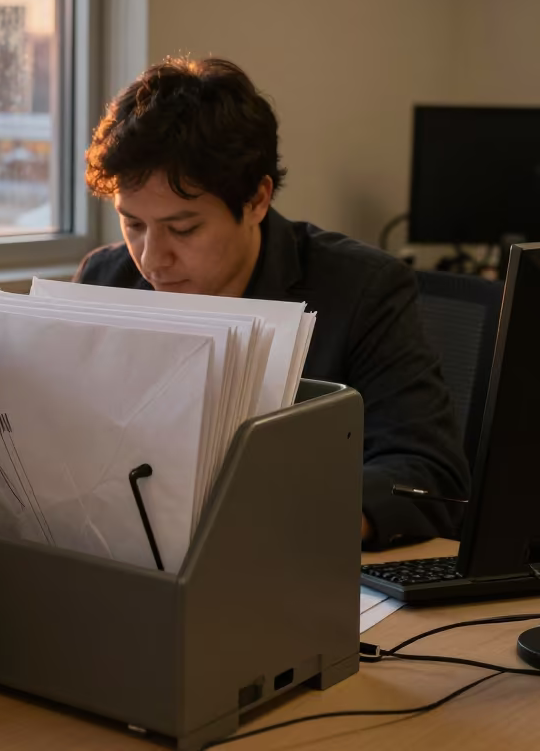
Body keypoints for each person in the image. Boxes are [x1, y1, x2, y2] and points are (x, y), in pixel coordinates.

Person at [77, 56, 470, 549]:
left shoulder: (362, 289)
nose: (152, 260)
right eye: (132, 223)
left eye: (184, 228)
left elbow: (427, 474)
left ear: (258, 200)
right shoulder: (105, 280)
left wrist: (289, 524)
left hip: (289, 561)